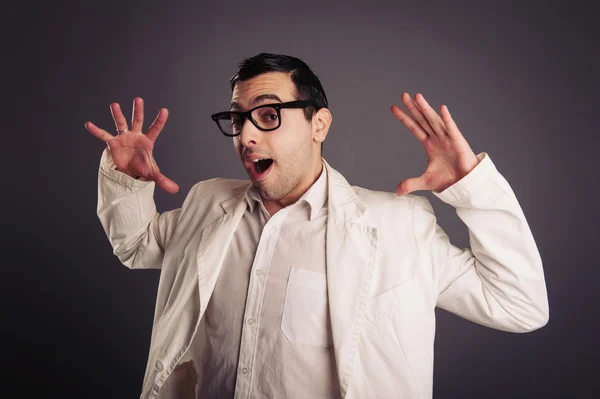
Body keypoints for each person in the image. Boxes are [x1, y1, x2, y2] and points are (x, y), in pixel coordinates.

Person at [86, 53, 549, 399]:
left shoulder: (397, 227)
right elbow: (138, 246)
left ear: (318, 124)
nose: (246, 136)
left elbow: (519, 305)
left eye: (268, 115)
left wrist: (470, 187)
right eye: (237, 119)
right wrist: (124, 177)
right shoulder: (208, 202)